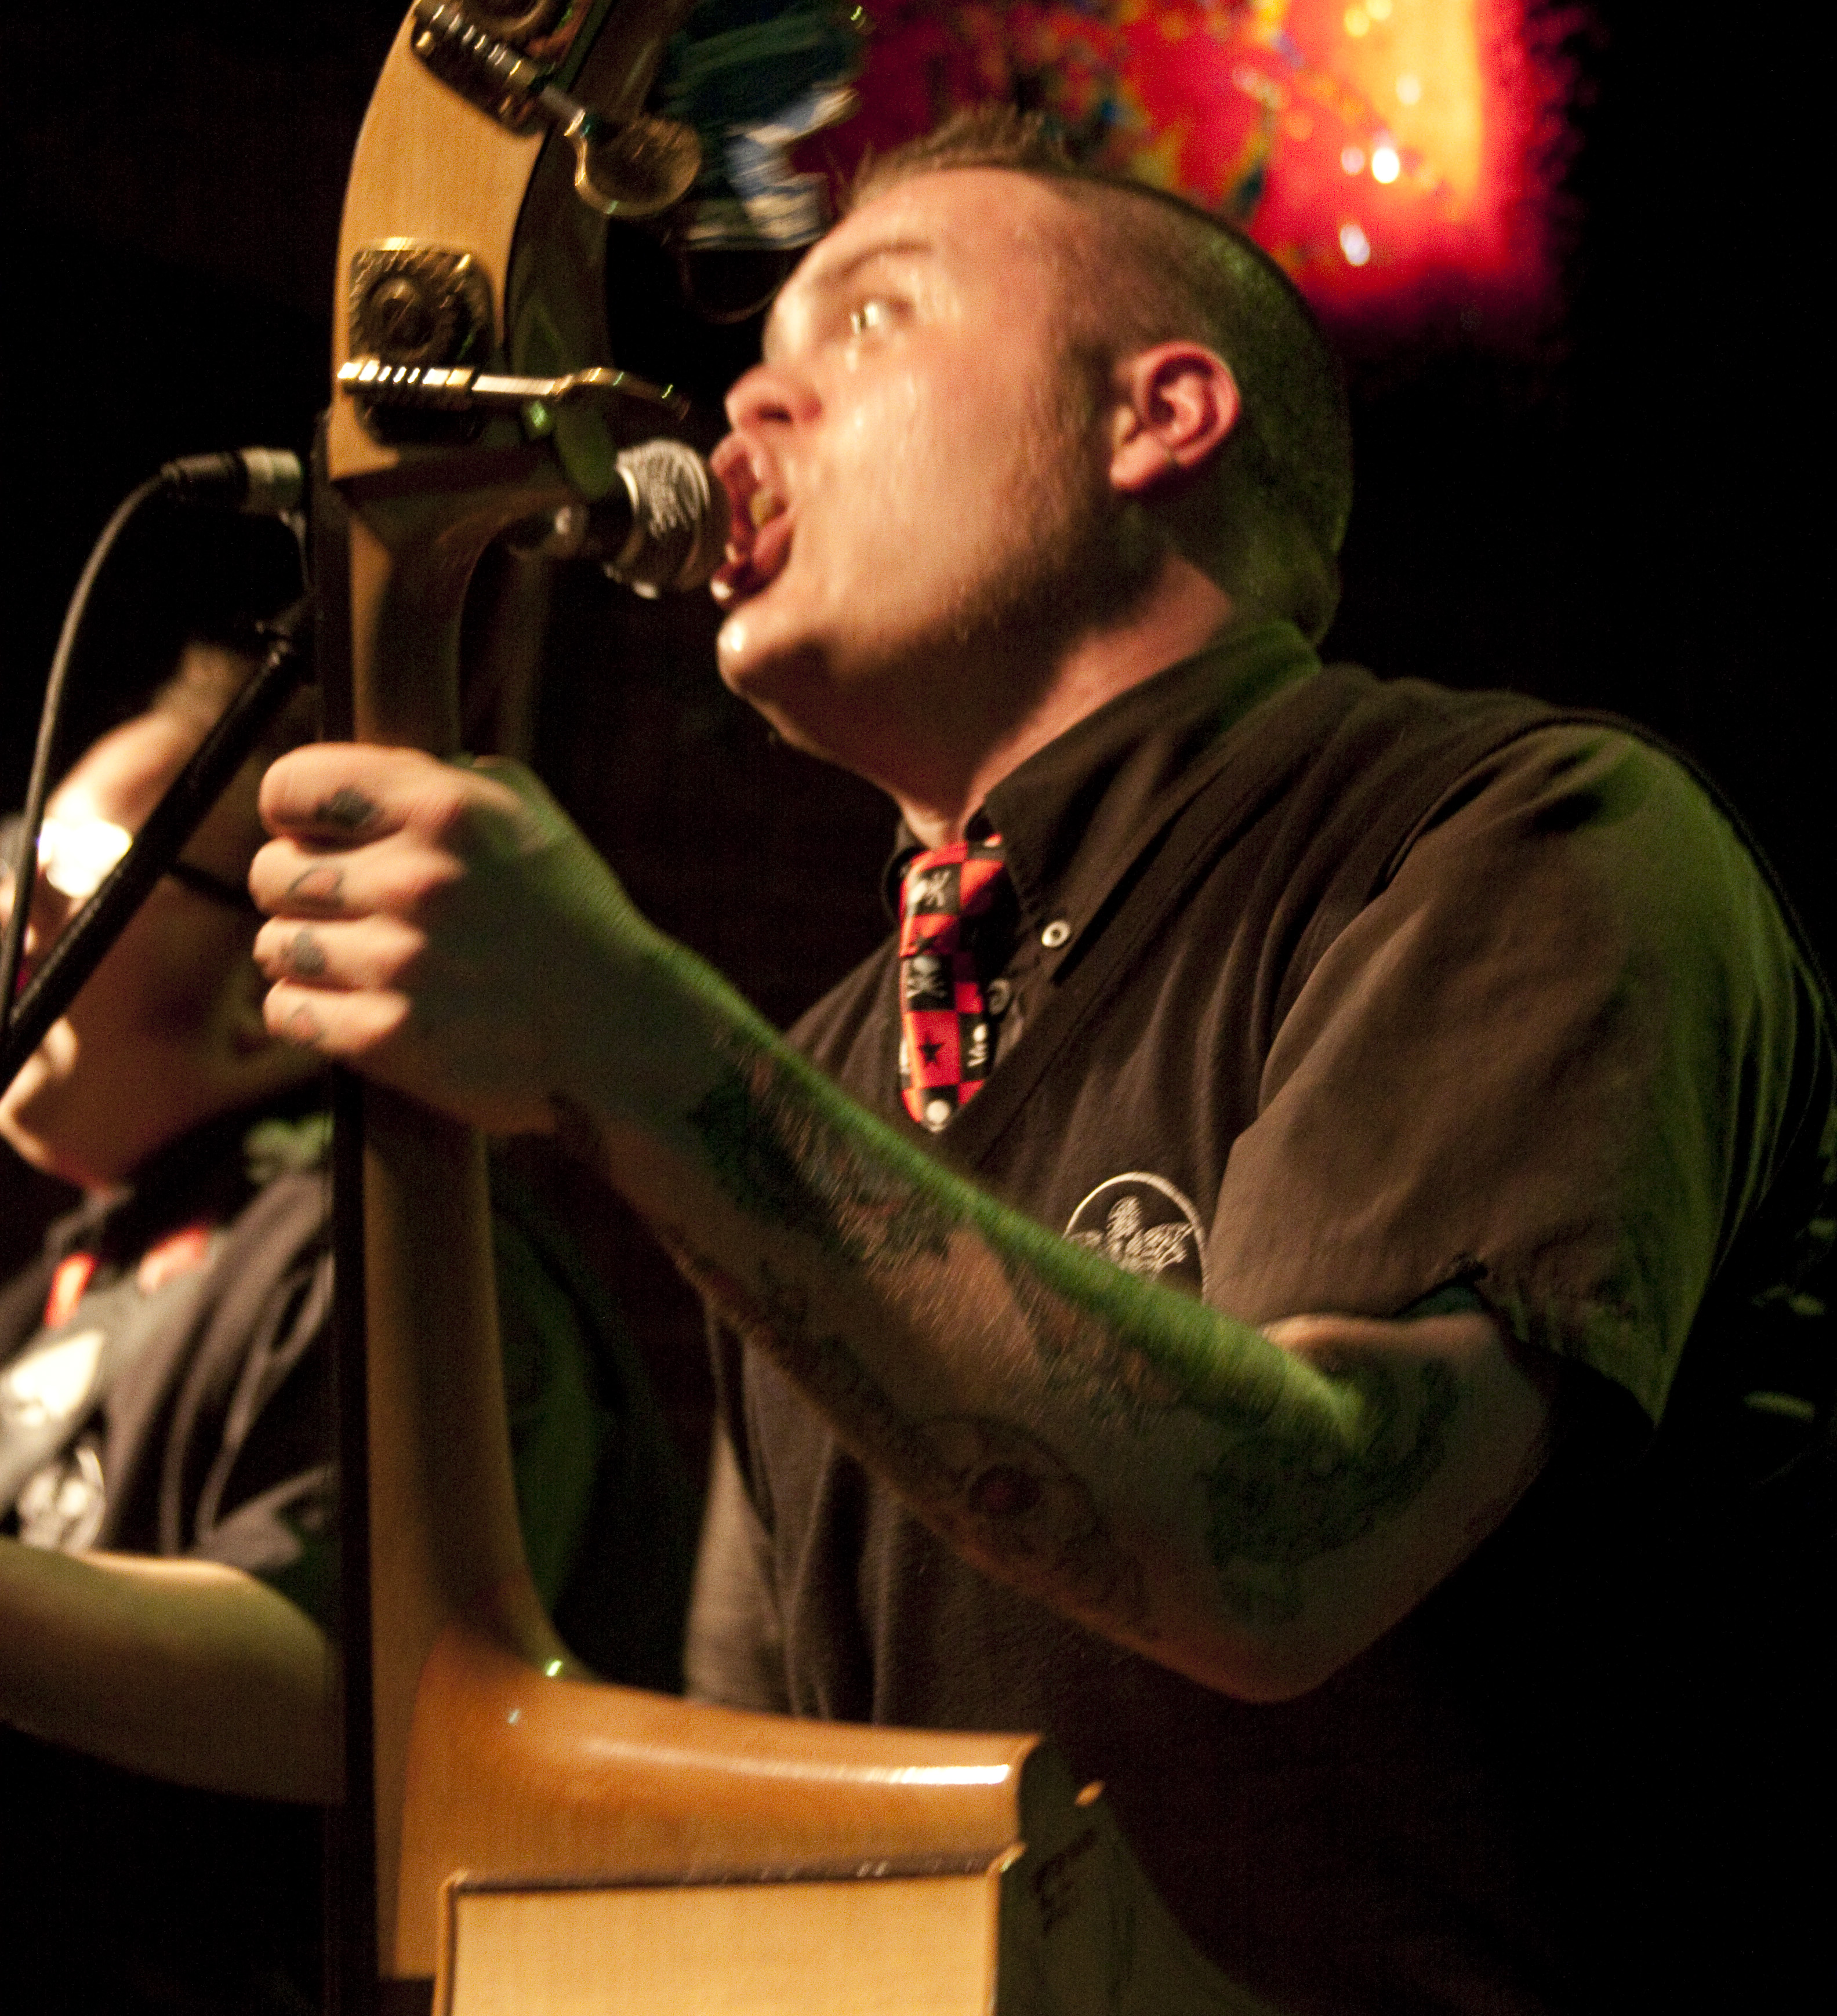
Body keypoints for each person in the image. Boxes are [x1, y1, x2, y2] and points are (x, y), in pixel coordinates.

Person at [248, 110, 1835, 2014]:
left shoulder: (1521, 832)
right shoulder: (830, 1063)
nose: (749, 408)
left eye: (867, 322)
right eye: (759, 358)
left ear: (1157, 417)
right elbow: (765, 1780)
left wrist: (635, 1047)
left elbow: (1296, 1540)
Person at [0, 643, 695, 2013]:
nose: (28, 917)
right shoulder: (75, 1273)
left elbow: (362, 1679)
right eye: (26, 856)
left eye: (88, 868)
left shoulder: (395, 1246)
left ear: (281, 977)